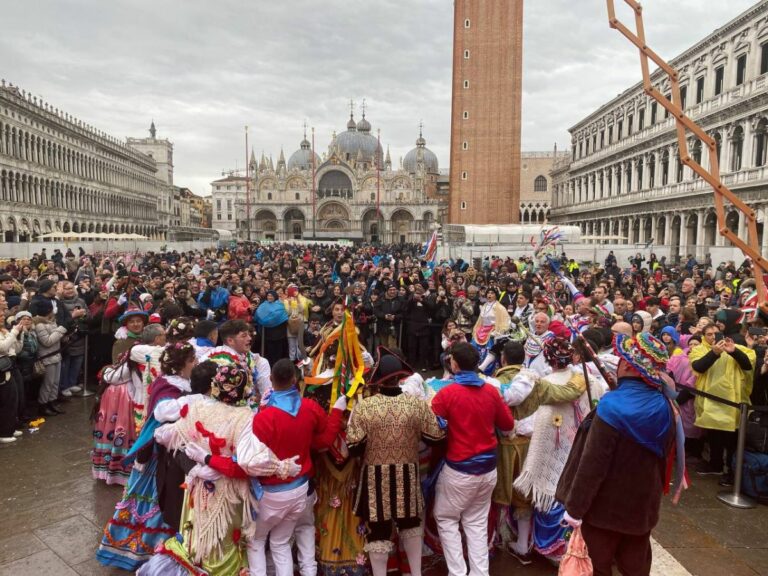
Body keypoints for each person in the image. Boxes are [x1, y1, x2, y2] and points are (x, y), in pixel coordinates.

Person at [556, 333, 680, 576]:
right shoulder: (666, 406)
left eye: (623, 359)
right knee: (635, 567)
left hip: (605, 512)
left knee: (598, 567)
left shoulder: (612, 408)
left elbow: (592, 466)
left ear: (628, 366)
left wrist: (575, 509)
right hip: (642, 510)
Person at [239, 358, 348, 576]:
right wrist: (337, 412)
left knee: (257, 540)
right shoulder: (309, 407)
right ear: (294, 380)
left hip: (270, 494)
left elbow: (251, 459)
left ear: (271, 380)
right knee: (280, 542)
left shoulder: (263, 417)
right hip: (300, 490)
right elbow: (324, 441)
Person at [96, 342, 198, 571]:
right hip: (159, 452)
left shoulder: (178, 382)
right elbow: (163, 412)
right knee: (156, 498)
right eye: (192, 360)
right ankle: (145, 550)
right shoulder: (167, 385)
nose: (195, 364)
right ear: (182, 364)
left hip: (172, 448)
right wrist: (193, 401)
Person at [347, 351, 444, 576]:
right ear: (399, 378)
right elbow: (436, 437)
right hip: (408, 473)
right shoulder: (415, 405)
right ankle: (416, 573)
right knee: (410, 525)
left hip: (374, 477)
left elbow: (353, 447)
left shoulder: (365, 407)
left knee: (378, 532)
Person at [431, 342, 515, 576]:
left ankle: (457, 573)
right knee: (476, 523)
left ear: (454, 363)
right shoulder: (491, 391)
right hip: (488, 470)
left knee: (446, 519)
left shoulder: (446, 393)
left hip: (460, 469)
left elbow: (431, 426)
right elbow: (508, 424)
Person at [690, 322, 755, 484]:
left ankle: (732, 472)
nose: (713, 337)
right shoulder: (699, 349)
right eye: (709, 334)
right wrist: (714, 353)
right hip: (711, 401)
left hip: (733, 402)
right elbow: (698, 366)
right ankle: (715, 464)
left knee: (732, 440)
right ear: (704, 337)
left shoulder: (736, 347)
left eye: (716, 333)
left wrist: (734, 352)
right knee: (714, 436)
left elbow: (748, 365)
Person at [31, 299, 69, 417]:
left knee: (55, 383)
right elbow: (47, 341)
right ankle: (43, 405)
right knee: (48, 384)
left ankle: (52, 402)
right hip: (47, 357)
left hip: (56, 355)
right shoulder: (39, 325)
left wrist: (64, 336)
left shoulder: (52, 322)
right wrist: (61, 329)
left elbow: (56, 337)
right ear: (49, 310)